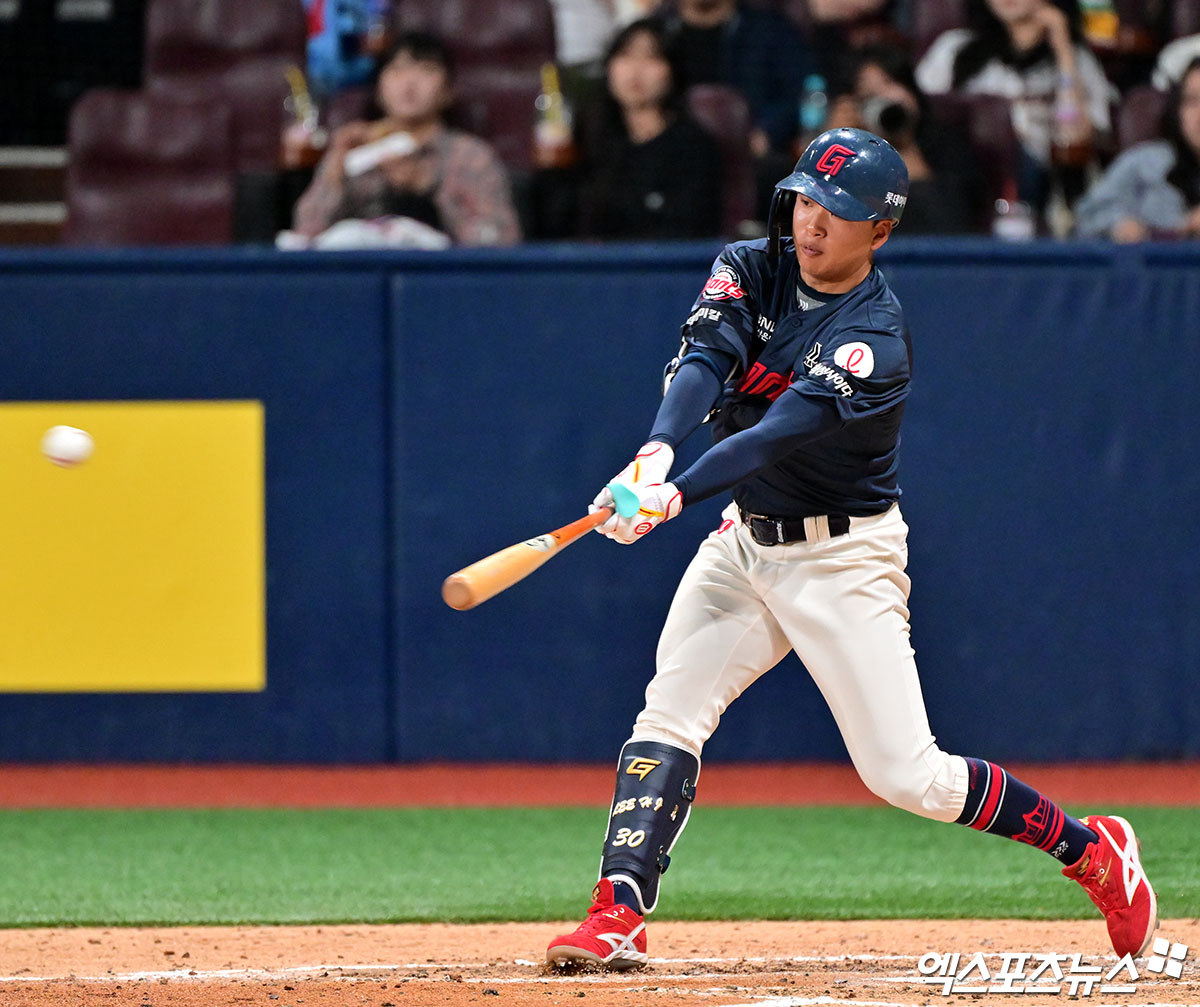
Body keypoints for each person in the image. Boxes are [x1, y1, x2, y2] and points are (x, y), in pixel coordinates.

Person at [544, 126, 1158, 970]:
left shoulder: (876, 336)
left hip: (844, 561)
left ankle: (1092, 850)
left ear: (881, 230)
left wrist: (675, 492)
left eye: (837, 210)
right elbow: (705, 359)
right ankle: (617, 914)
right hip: (745, 544)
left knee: (911, 777)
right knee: (669, 712)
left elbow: (773, 435)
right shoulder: (749, 264)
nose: (812, 222)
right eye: (804, 199)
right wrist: (655, 451)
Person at [292, 31, 520, 247]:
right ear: (379, 89)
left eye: (426, 70)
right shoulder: (353, 149)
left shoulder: (469, 156)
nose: (409, 83)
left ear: (448, 90)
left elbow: (501, 240)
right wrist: (335, 173)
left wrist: (429, 188)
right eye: (397, 70)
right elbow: (306, 235)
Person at [915, 0, 1115, 220]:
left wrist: (1062, 48)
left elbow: (1073, 136)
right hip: (965, 174)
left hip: (1044, 184)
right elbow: (917, 116)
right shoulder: (954, 48)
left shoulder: (1075, 58)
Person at [574, 17, 723, 239]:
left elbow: (689, 227)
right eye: (625, 55)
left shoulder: (692, 147)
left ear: (673, 70)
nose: (635, 70)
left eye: (651, 57)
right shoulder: (590, 136)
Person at [828, 42, 981, 232]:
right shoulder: (850, 155)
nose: (883, 99)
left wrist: (903, 145)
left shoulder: (948, 145)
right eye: (868, 94)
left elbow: (948, 224)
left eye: (889, 83)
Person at [1075, 57, 1200, 241]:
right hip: (1152, 267)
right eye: (1191, 101)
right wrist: (1118, 225)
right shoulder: (1145, 163)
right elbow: (1084, 218)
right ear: (1177, 111)